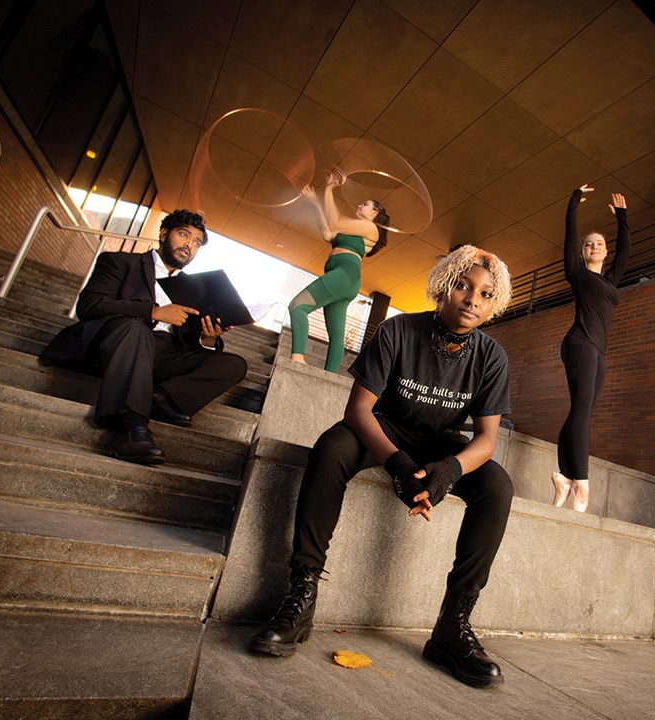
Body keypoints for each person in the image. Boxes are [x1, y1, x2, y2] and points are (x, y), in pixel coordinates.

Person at [249, 245, 514, 688]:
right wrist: (398, 464)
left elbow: (486, 440)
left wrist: (447, 470)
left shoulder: (491, 357)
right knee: (332, 447)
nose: (472, 299)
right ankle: (302, 593)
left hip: (441, 445)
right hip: (383, 430)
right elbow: (358, 410)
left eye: (486, 294)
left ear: (494, 304)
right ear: (443, 287)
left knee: (497, 487)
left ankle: (453, 624)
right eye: (464, 286)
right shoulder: (398, 330)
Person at [40, 209, 248, 464]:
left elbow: (186, 341)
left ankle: (161, 398)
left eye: (196, 243)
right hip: (116, 345)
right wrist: (154, 312)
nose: (189, 245)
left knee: (233, 364)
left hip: (159, 356)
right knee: (136, 330)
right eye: (184, 235)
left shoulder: (192, 288)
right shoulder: (119, 262)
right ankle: (130, 427)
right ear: (163, 234)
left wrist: (208, 338)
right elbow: (90, 305)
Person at [552, 184, 630, 512]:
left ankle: (565, 477)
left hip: (598, 351)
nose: (594, 246)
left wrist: (622, 219)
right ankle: (581, 484)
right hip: (580, 343)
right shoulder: (578, 274)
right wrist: (573, 204)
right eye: (589, 244)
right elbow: (570, 237)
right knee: (581, 410)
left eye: (599, 243)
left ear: (604, 251)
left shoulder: (610, 281)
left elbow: (625, 251)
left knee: (581, 412)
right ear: (584, 252)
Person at [289, 170, 389, 373]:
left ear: (374, 213)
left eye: (364, 204)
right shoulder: (353, 228)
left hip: (345, 274)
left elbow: (334, 222)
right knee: (336, 334)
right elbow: (328, 233)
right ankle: (329, 376)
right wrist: (320, 200)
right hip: (342, 277)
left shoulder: (370, 229)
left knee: (297, 306)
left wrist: (331, 189)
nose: (359, 206)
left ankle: (297, 358)